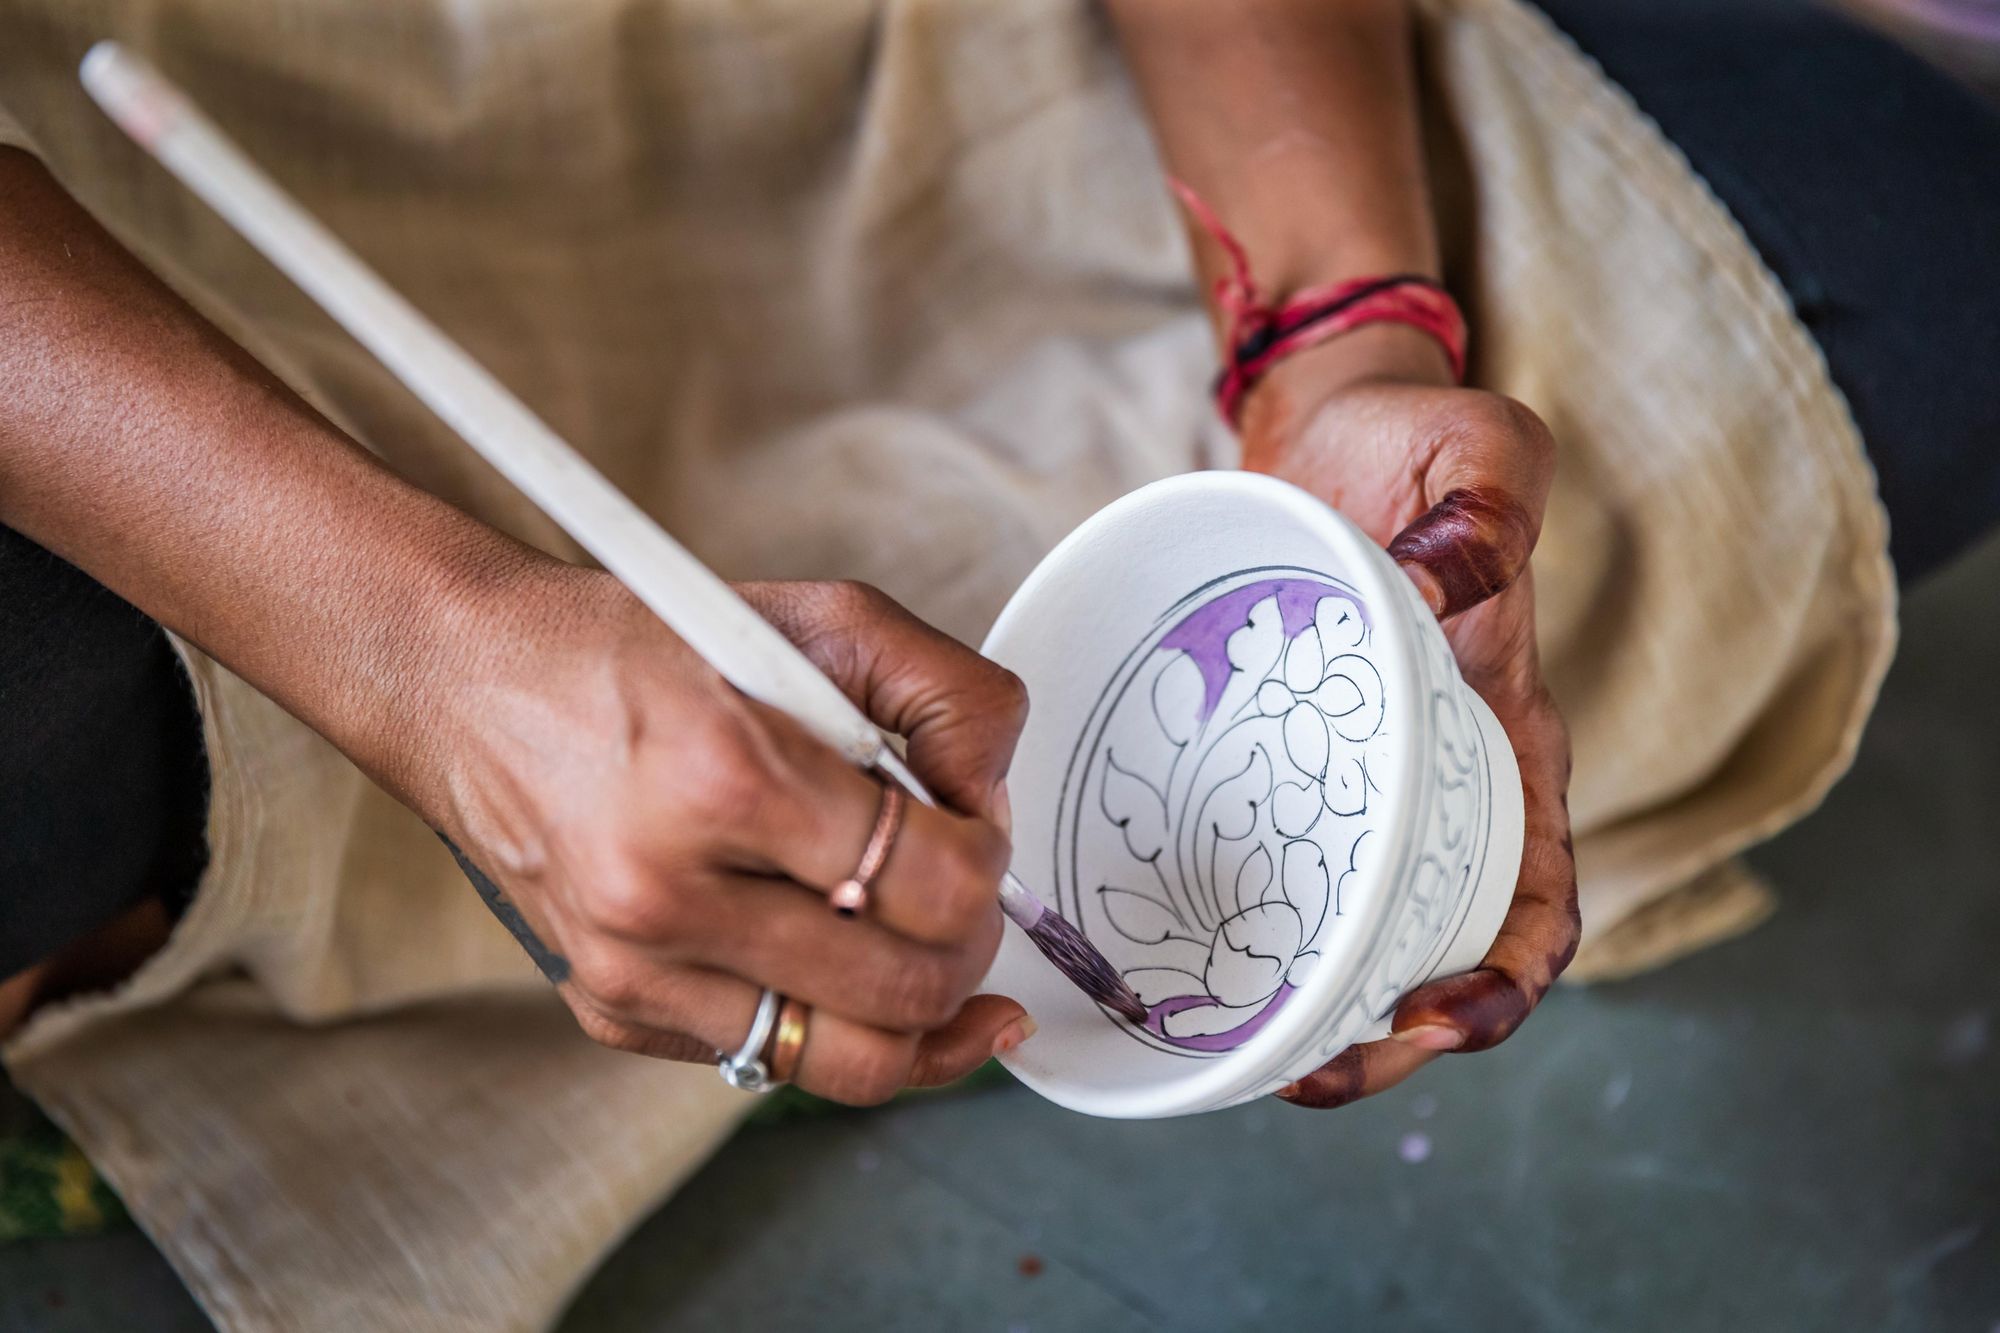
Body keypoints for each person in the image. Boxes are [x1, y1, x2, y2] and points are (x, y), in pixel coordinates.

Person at [0, 0, 1993, 1321]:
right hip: (153, 301)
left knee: (1914, 254)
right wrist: (414, 649)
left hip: (945, 81)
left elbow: (1360, 316)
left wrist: (1342, 330)